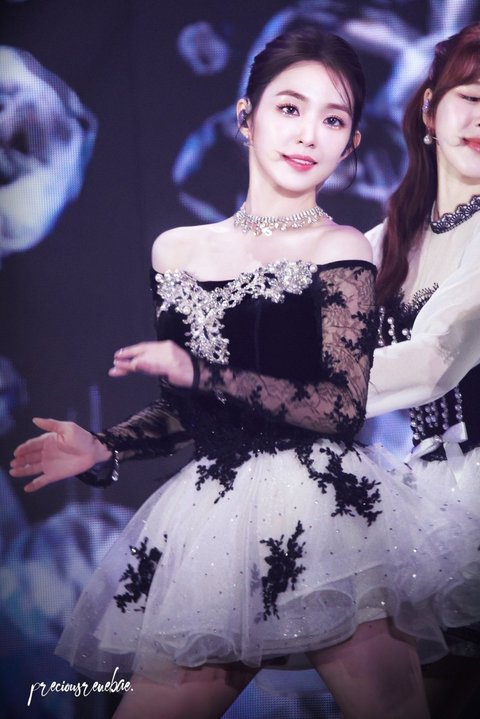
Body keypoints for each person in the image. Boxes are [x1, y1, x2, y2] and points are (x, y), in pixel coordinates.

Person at [9, 26, 478, 719]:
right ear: (245, 116)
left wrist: (202, 373)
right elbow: (183, 412)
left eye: (333, 120)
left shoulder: (344, 247)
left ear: (351, 143)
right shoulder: (178, 250)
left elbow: (339, 406)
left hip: (331, 514)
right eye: (289, 108)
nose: (308, 134)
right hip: (218, 518)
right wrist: (104, 447)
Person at [365, 22, 480, 719]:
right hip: (427, 495)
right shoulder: (390, 236)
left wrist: (303, 392)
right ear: (430, 108)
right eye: (473, 97)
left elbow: (435, 362)